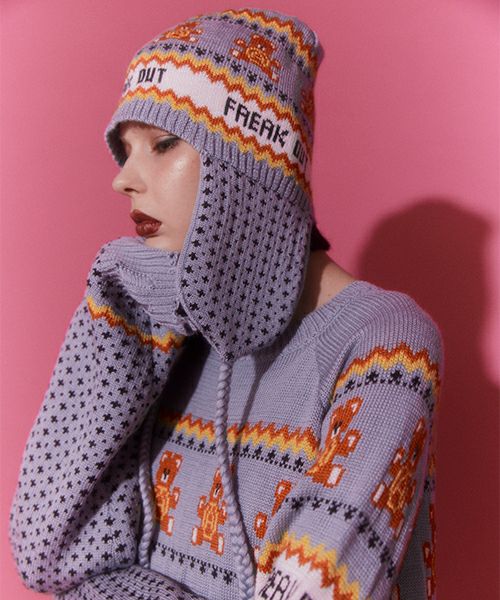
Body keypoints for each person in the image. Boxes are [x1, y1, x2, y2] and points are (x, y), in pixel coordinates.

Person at [9, 8, 444, 600]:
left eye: (163, 144)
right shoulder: (173, 331)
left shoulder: (385, 343)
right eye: (126, 150)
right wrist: (114, 316)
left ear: (250, 167)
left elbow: (317, 587)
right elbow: (53, 554)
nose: (124, 179)